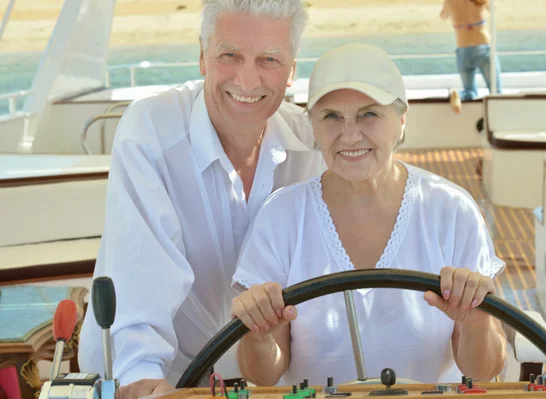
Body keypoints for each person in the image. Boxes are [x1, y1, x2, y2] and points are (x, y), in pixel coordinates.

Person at [77, 1, 325, 397]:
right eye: (230, 55)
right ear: (202, 57)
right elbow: (140, 275)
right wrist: (142, 381)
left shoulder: (311, 145)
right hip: (163, 378)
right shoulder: (152, 133)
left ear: (292, 69)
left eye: (269, 59)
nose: (247, 80)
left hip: (264, 380)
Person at [230, 43, 507, 386]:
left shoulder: (452, 209)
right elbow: (264, 374)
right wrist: (258, 337)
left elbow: (483, 372)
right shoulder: (280, 216)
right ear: (313, 125)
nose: (349, 134)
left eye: (369, 114)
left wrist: (476, 324)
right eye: (331, 116)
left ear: (402, 120)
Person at [440, 0, 502, 114]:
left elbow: (443, 16)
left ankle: (458, 94)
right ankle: (496, 117)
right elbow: (493, 9)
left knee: (470, 92)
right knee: (495, 90)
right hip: (482, 45)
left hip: (463, 48)